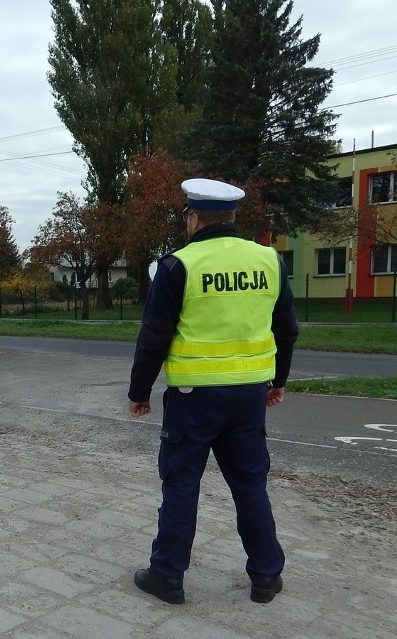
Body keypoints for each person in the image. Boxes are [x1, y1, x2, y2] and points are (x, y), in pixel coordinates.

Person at [128, 178, 298, 605]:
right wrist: (278, 381)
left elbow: (154, 336)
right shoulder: (269, 261)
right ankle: (265, 577)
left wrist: (140, 391)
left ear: (194, 217)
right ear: (232, 216)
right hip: (247, 397)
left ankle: (167, 575)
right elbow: (287, 329)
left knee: (182, 484)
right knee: (250, 485)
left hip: (193, 397)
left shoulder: (177, 265)